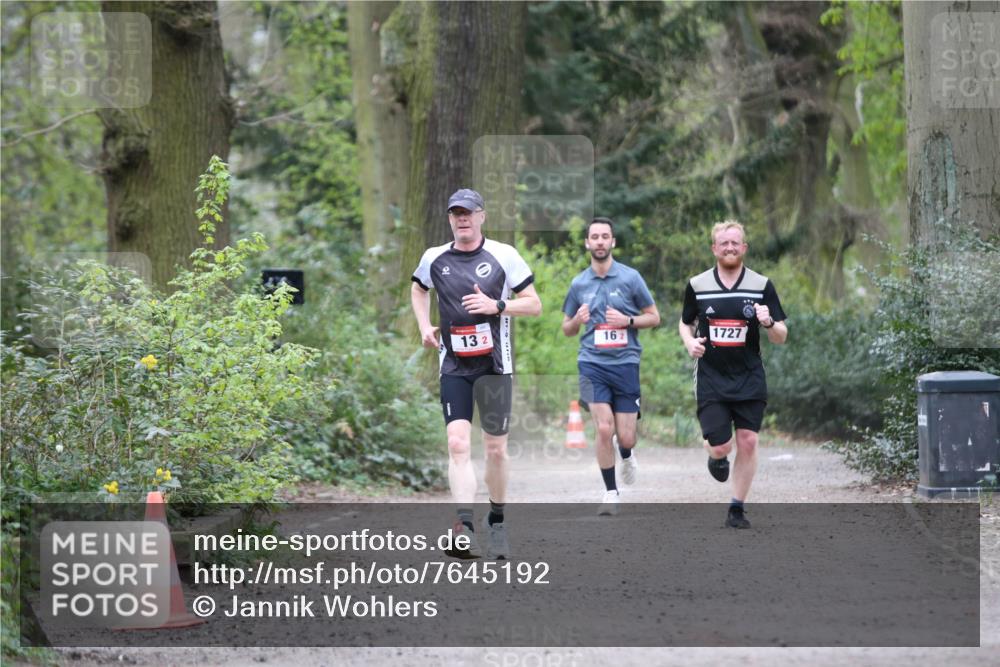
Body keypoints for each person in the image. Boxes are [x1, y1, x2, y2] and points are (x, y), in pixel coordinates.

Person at [411, 188, 542, 558]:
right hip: (453, 365)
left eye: (468, 212)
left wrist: (496, 305)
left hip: (495, 368)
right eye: (455, 213)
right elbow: (419, 289)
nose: (462, 219)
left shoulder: (504, 255)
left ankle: (496, 520)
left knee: (496, 450)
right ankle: (464, 526)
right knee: (456, 444)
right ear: (450, 218)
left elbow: (534, 305)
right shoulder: (434, 258)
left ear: (482, 216)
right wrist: (423, 326)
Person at [678, 220, 787, 529]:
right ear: (714, 248)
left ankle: (736, 508)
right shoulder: (698, 285)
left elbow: (781, 335)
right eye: (723, 243)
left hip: (749, 375)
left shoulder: (761, 284)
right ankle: (715, 454)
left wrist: (768, 323)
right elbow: (685, 322)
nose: (729, 247)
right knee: (722, 445)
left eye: (734, 243)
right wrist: (689, 342)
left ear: (744, 248)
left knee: (749, 441)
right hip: (711, 376)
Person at [562, 217, 660, 515]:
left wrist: (627, 321)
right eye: (595, 237)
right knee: (604, 429)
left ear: (613, 242)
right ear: (587, 243)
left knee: (626, 436)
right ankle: (610, 492)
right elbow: (566, 328)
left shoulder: (631, 278)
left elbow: (654, 317)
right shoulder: (579, 283)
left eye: (606, 236)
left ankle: (627, 454)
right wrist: (577, 320)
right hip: (592, 363)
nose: (600, 241)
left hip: (626, 362)